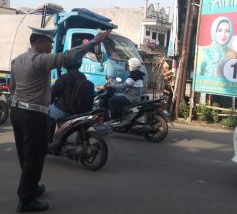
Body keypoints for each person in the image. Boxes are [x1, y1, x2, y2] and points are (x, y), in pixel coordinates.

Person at [9, 26, 110, 213]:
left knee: (25, 152)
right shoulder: (40, 60)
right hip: (34, 114)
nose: (52, 44)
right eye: (49, 41)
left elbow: (12, 89)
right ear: (39, 42)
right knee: (35, 155)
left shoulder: (18, 60)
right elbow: (67, 57)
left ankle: (32, 186)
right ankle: (26, 200)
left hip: (16, 111)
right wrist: (95, 42)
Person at [106, 57, 145, 123]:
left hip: (130, 98)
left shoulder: (133, 76)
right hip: (133, 97)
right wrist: (115, 83)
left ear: (132, 66)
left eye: (128, 65)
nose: (127, 66)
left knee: (111, 101)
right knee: (117, 97)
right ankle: (119, 117)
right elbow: (126, 84)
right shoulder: (137, 75)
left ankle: (114, 119)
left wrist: (111, 85)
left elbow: (123, 86)